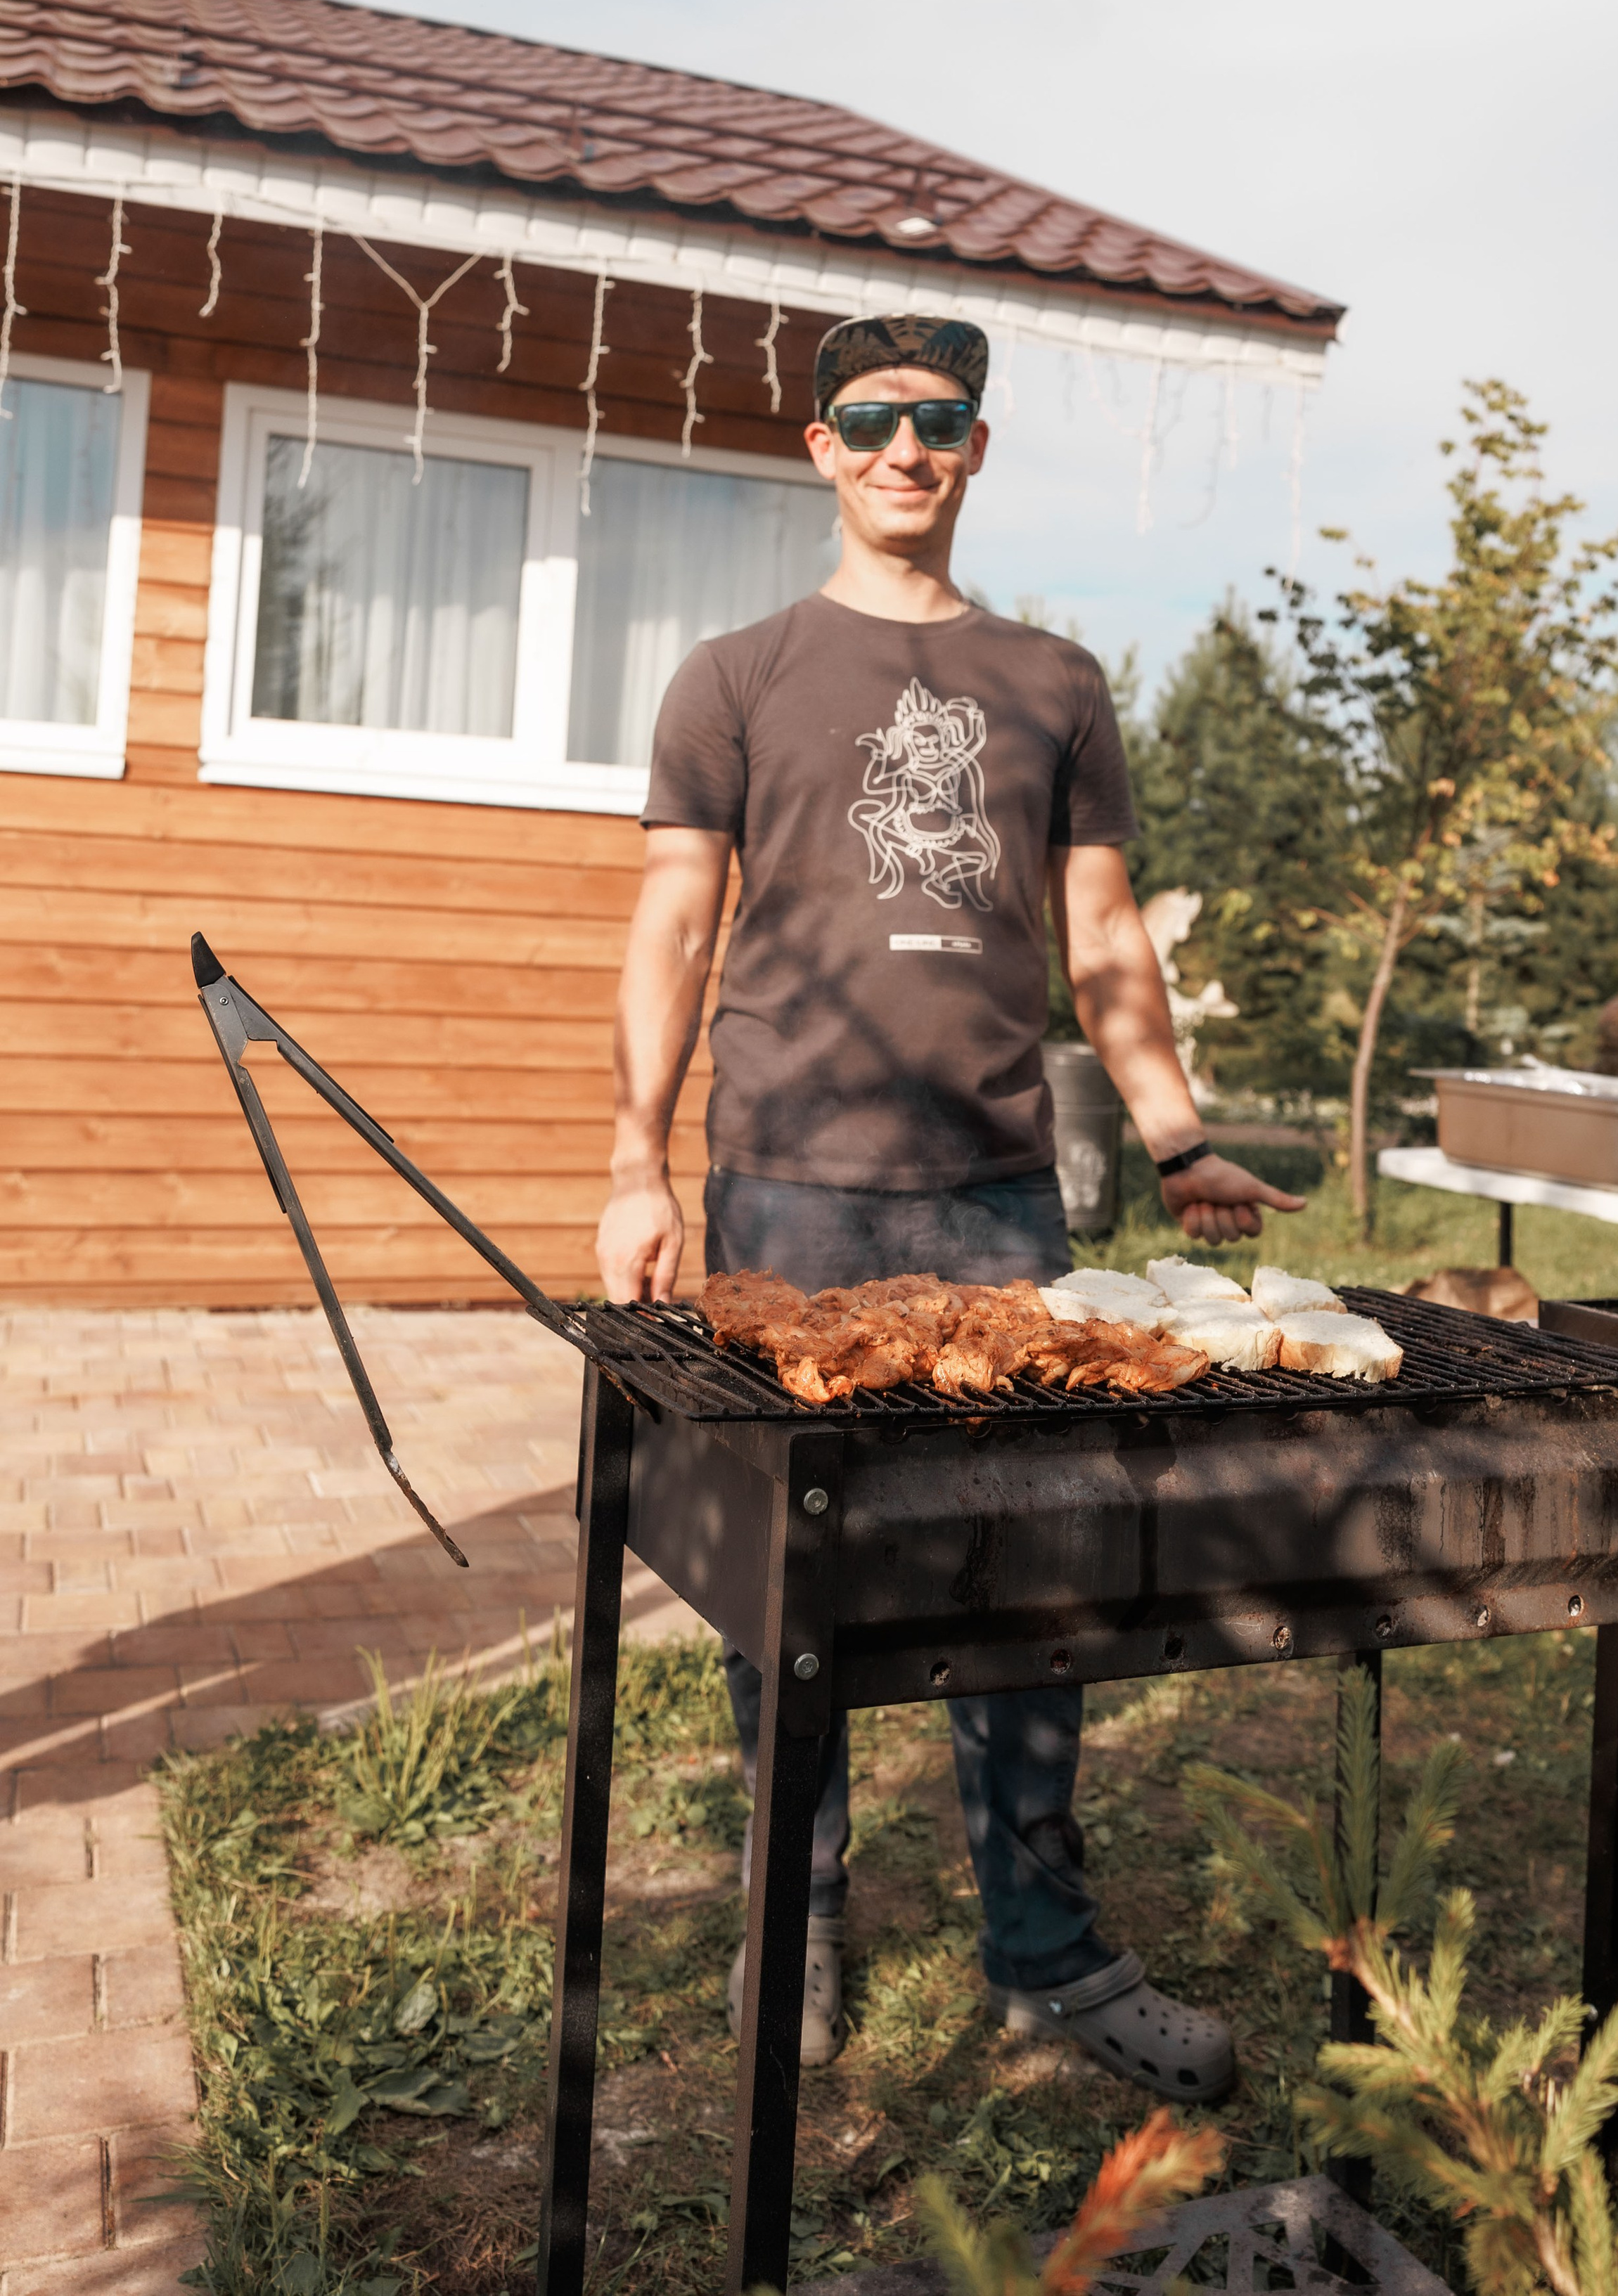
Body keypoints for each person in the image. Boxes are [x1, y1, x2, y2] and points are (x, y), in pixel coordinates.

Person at [596, 310, 1304, 2103]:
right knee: (786, 1580)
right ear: (818, 447)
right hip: (785, 1189)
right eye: (867, 420)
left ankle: (1046, 1953)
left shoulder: (1054, 680)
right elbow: (672, 925)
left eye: (937, 420)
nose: (902, 449)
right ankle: (795, 1917)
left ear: (975, 447)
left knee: (1027, 1576)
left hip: (996, 1197)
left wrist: (1175, 1140)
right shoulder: (734, 675)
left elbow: (1101, 935)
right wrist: (633, 1162)